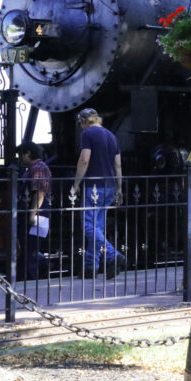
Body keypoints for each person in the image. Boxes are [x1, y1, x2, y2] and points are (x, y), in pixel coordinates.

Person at [69, 108, 126, 279]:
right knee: (97, 226)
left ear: (85, 120)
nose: (80, 127)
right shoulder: (111, 135)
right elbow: (118, 165)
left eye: (80, 123)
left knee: (88, 225)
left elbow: (84, 159)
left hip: (93, 186)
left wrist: (76, 183)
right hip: (109, 185)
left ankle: (113, 255)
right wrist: (119, 188)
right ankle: (90, 266)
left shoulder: (88, 134)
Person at [17, 141, 51, 280]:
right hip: (37, 212)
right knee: (27, 247)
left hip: (36, 213)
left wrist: (32, 214)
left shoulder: (37, 168)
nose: (20, 158)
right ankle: (26, 275)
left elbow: (39, 193)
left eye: (21, 155)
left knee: (29, 247)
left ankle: (28, 277)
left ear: (28, 153)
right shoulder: (36, 167)